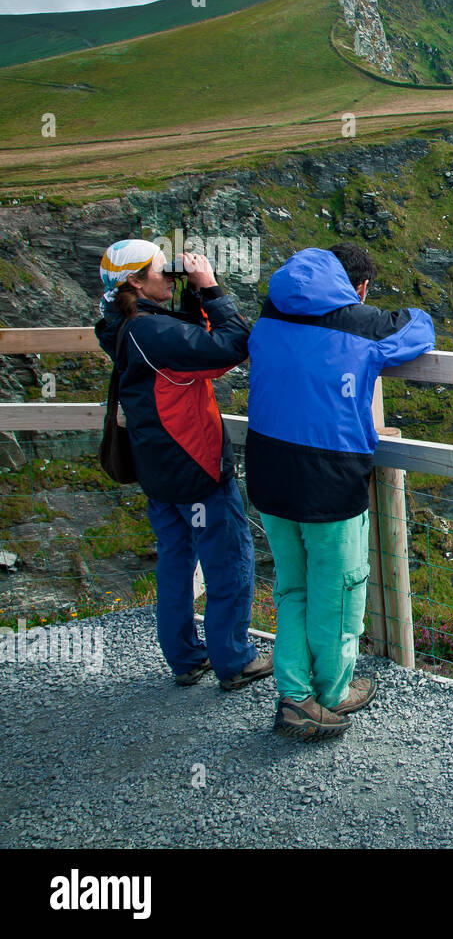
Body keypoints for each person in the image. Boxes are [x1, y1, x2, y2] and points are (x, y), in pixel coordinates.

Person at [246, 243, 435, 740]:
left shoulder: (269, 313)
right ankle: (329, 694)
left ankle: (293, 690)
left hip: (267, 467)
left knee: (292, 586)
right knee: (340, 588)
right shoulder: (363, 325)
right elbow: (420, 327)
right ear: (361, 288)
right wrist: (371, 309)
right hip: (326, 475)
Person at [93, 238, 272, 691]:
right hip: (195, 467)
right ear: (135, 280)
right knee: (229, 559)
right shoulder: (149, 332)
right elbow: (232, 346)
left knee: (175, 561)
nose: (168, 276)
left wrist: (189, 297)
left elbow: (186, 343)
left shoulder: (120, 323)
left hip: (158, 467)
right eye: (161, 269)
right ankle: (235, 659)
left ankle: (186, 657)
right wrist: (210, 287)